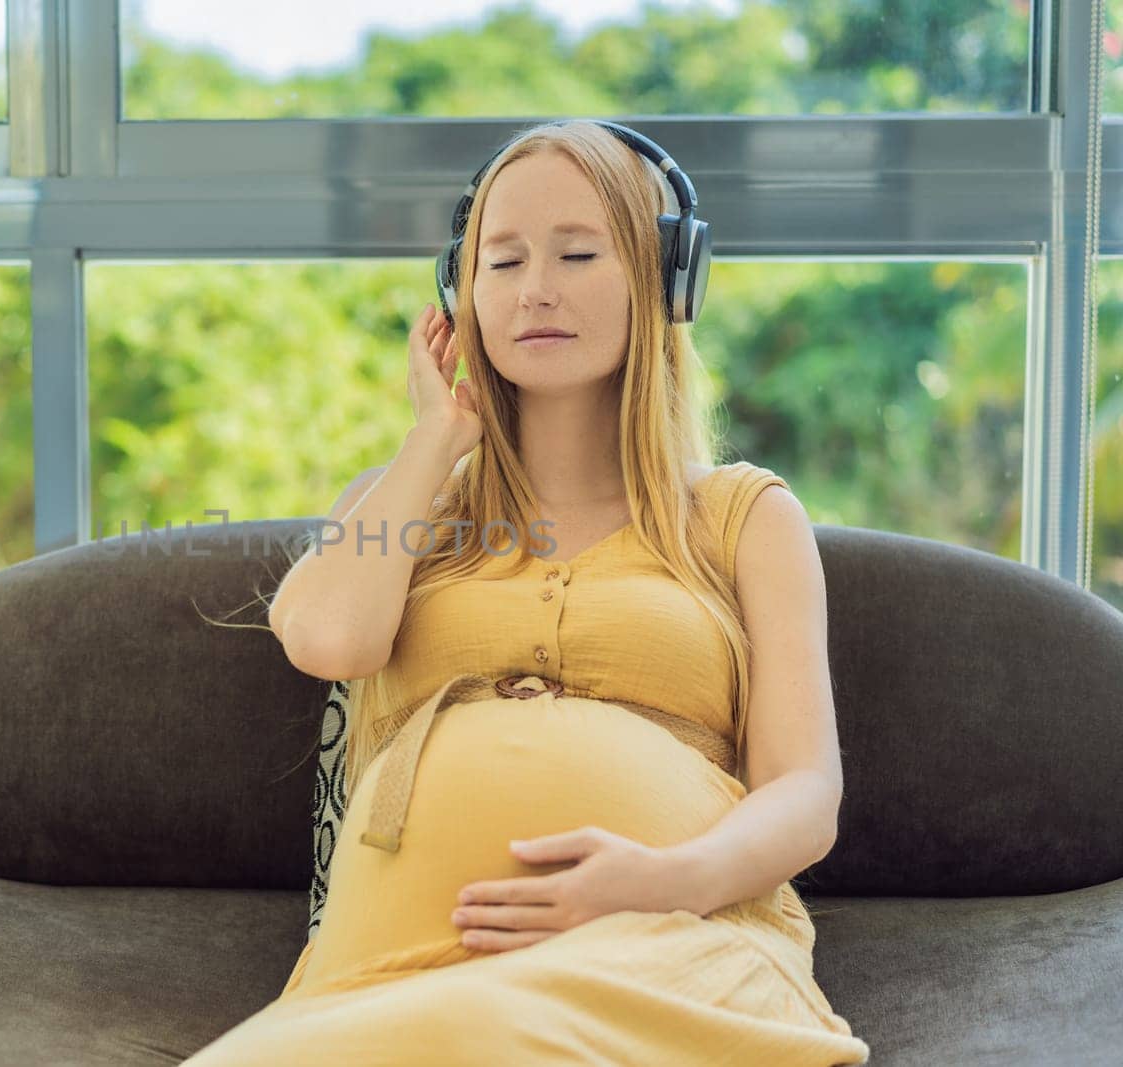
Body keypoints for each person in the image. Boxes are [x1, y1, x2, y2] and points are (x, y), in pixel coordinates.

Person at [186, 119, 871, 1066]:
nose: (537, 289)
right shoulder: (405, 502)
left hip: (668, 946)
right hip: (393, 970)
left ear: (664, 281)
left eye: (579, 253)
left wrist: (666, 878)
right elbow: (330, 640)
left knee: (491, 1032)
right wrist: (434, 439)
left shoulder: (745, 519)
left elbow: (805, 791)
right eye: (501, 263)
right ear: (458, 298)